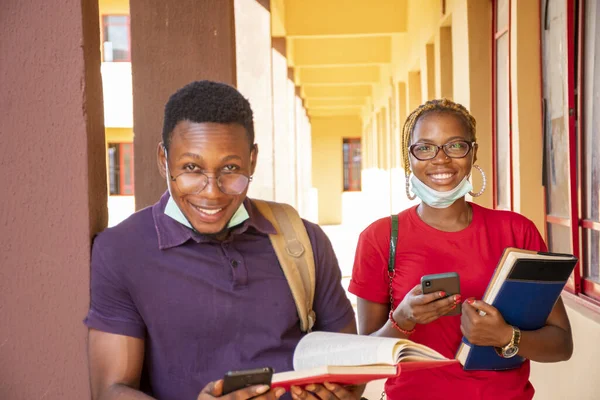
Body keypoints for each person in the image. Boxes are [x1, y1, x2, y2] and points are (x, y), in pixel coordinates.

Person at [85, 80, 361, 400]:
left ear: (252, 160)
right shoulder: (122, 250)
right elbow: (110, 390)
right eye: (192, 167)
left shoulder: (303, 240)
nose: (212, 191)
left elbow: (351, 368)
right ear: (164, 159)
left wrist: (342, 392)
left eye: (230, 168)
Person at [349, 99, 573, 400]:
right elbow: (367, 363)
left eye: (455, 146)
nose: (440, 159)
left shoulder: (516, 231)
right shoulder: (379, 239)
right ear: (409, 157)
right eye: (425, 148)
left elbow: (561, 344)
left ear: (473, 152)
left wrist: (506, 336)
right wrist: (401, 319)